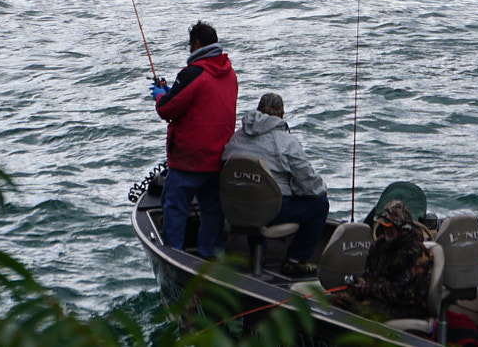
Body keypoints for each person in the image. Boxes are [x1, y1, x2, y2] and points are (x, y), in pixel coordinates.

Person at [152, 21, 238, 259]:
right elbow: (201, 102)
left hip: (188, 161)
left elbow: (167, 109)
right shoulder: (230, 74)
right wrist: (172, 92)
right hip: (217, 158)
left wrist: (161, 96)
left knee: (175, 208)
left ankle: (174, 258)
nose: (190, 51)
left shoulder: (192, 73)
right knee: (211, 209)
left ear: (197, 44)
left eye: (190, 46)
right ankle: (210, 256)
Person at [222, 92, 330, 277]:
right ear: (282, 114)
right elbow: (312, 186)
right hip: (268, 212)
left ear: (258, 111)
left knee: (252, 192)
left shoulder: (237, 137)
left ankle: (258, 255)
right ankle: (295, 260)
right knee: (319, 204)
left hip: (234, 209)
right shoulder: (286, 142)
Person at [333, 199, 435, 322]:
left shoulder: (417, 252)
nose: (387, 230)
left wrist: (367, 288)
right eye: (384, 226)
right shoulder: (379, 246)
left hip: (407, 307)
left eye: (391, 226)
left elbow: (404, 295)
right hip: (379, 298)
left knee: (358, 310)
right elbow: (369, 276)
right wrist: (358, 285)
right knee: (336, 301)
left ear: (403, 227)